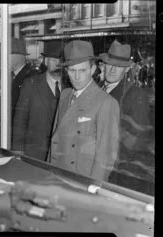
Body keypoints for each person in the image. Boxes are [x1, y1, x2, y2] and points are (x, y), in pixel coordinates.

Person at [47, 40, 120, 182]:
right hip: (57, 175)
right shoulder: (65, 95)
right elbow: (55, 139)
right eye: (73, 71)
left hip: (81, 179)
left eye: (82, 70)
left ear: (92, 70)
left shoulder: (106, 102)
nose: (77, 77)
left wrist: (92, 188)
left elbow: (106, 156)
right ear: (66, 71)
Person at [99, 40, 154, 193]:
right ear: (104, 64)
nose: (112, 70)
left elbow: (136, 142)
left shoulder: (135, 95)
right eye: (110, 64)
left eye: (118, 66)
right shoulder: (97, 89)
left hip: (117, 172)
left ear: (127, 69)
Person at [11, 41, 64, 161]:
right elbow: (20, 120)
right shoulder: (31, 84)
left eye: (61, 60)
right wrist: (18, 151)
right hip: (34, 154)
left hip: (61, 157)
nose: (58, 64)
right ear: (45, 61)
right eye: (53, 60)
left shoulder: (70, 88)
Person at [0, 38, 36, 146]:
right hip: (7, 134)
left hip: (16, 137)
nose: (3, 58)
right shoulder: (12, 76)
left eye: (7, 54)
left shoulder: (31, 77)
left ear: (19, 55)